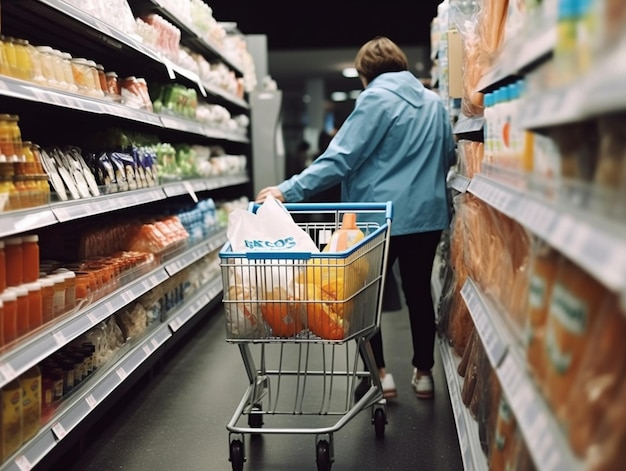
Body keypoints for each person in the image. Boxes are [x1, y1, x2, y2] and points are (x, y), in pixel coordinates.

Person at [256, 36, 456, 400]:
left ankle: (380, 375)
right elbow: (448, 155)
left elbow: (339, 159)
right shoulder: (434, 104)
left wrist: (288, 190)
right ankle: (424, 373)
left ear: (365, 74)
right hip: (427, 216)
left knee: (366, 299)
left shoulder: (375, 98)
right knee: (419, 293)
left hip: (378, 217)